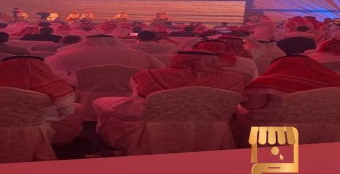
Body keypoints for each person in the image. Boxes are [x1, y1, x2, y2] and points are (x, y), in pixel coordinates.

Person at [93, 51, 247, 124]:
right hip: (212, 125)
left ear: (177, 59)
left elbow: (138, 100)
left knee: (101, 102)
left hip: (156, 126)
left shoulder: (148, 75)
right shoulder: (235, 79)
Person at [0, 56, 84, 145]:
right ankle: (62, 141)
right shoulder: (57, 87)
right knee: (77, 108)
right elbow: (66, 111)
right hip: (35, 130)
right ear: (43, 68)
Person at [45, 35, 165, 85]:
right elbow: (160, 68)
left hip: (80, 94)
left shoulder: (68, 55)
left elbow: (49, 70)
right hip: (130, 92)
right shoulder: (138, 54)